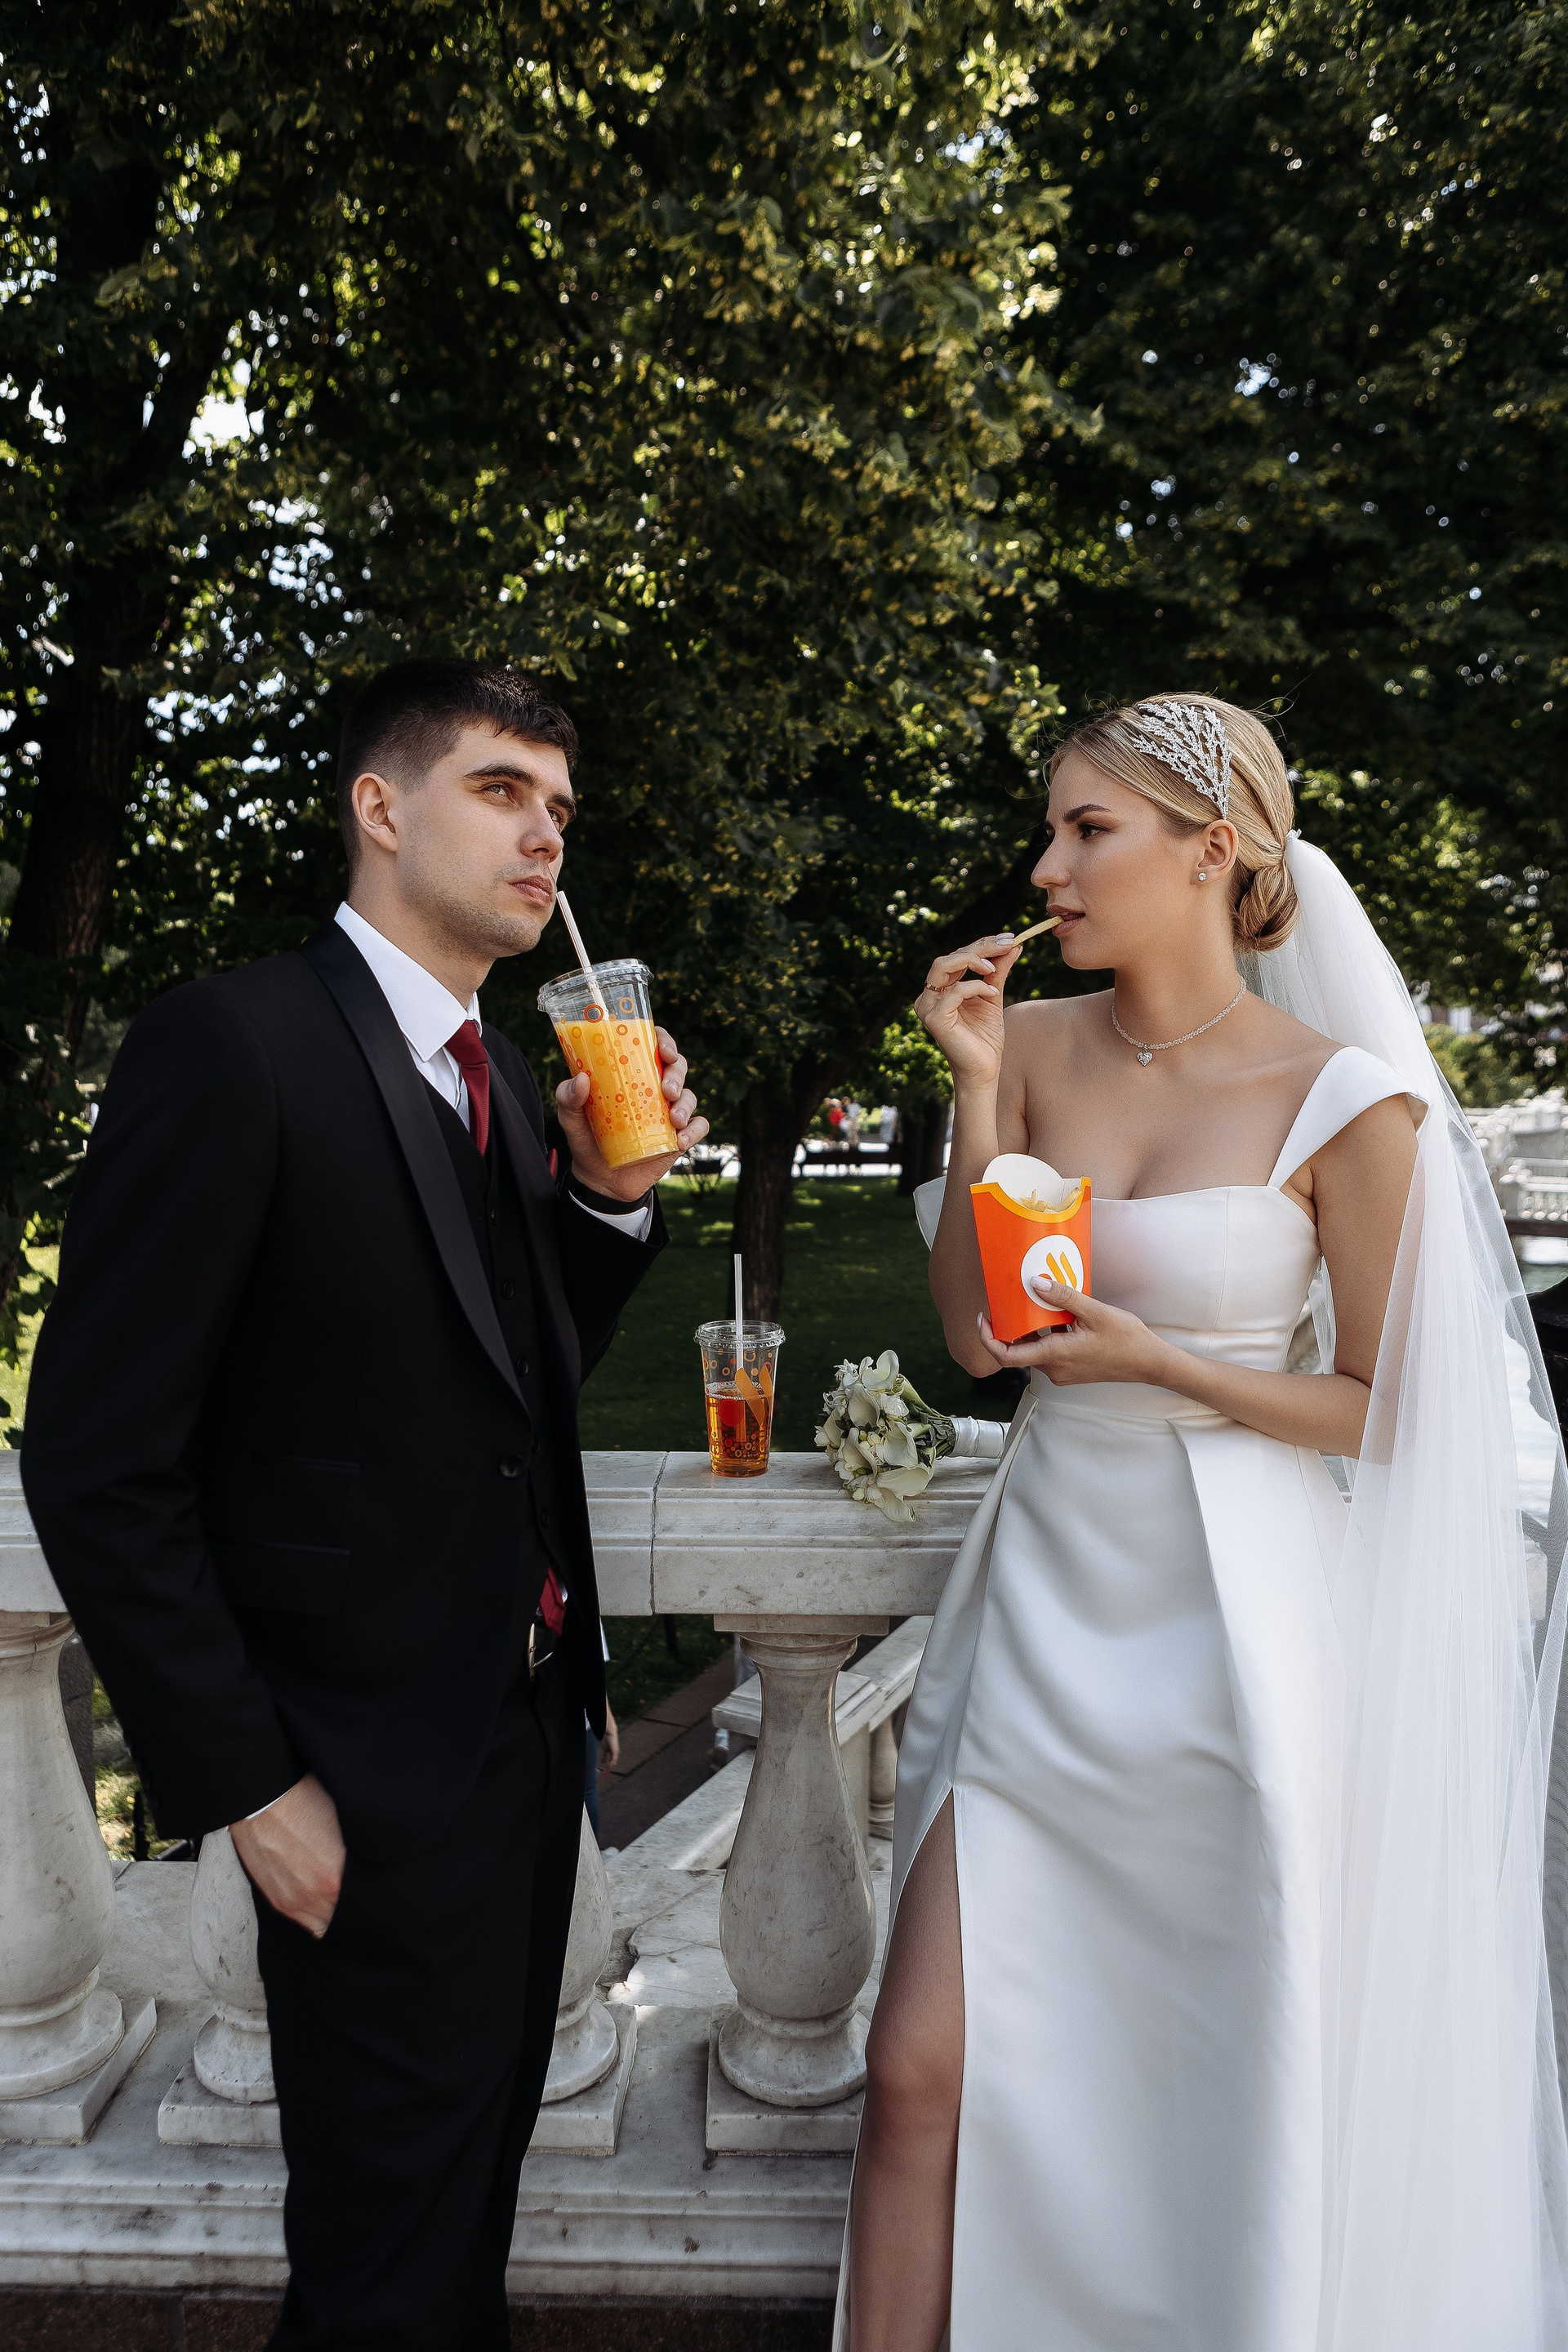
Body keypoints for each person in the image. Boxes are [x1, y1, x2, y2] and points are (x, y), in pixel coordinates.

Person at [838, 693, 1568, 2350]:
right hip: (1047, 1592)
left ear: (1211, 850)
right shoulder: (1028, 1046)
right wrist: (972, 1088)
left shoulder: (1347, 1102)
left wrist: (1170, 1363)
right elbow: (980, 1339)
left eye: (1087, 830)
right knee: (914, 2070)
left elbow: (1394, 1410)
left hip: (1240, 1625)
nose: (1046, 867)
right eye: (1051, 830)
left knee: (1226, 2072)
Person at [21, 658, 707, 2352]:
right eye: (501, 791)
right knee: (380, 2272)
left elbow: (505, 1382)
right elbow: (96, 1459)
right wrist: (254, 1789)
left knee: (460, 2220)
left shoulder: (498, 1075)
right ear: (380, 808)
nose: (545, 837)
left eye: (561, 810)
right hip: (351, 1766)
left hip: (522, 1748)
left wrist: (605, 1200)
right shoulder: (234, 1045)